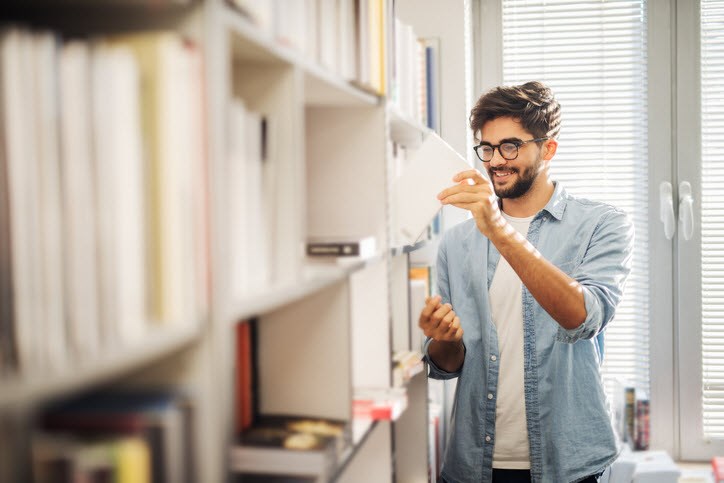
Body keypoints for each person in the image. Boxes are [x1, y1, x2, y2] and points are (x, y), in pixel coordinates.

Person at [419, 81, 634, 483]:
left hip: (569, 463)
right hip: (474, 463)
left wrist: (498, 229)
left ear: (548, 149)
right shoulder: (456, 242)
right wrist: (442, 338)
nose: (496, 161)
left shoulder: (602, 224)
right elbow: (447, 366)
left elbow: (583, 317)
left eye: (510, 146)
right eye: (487, 147)